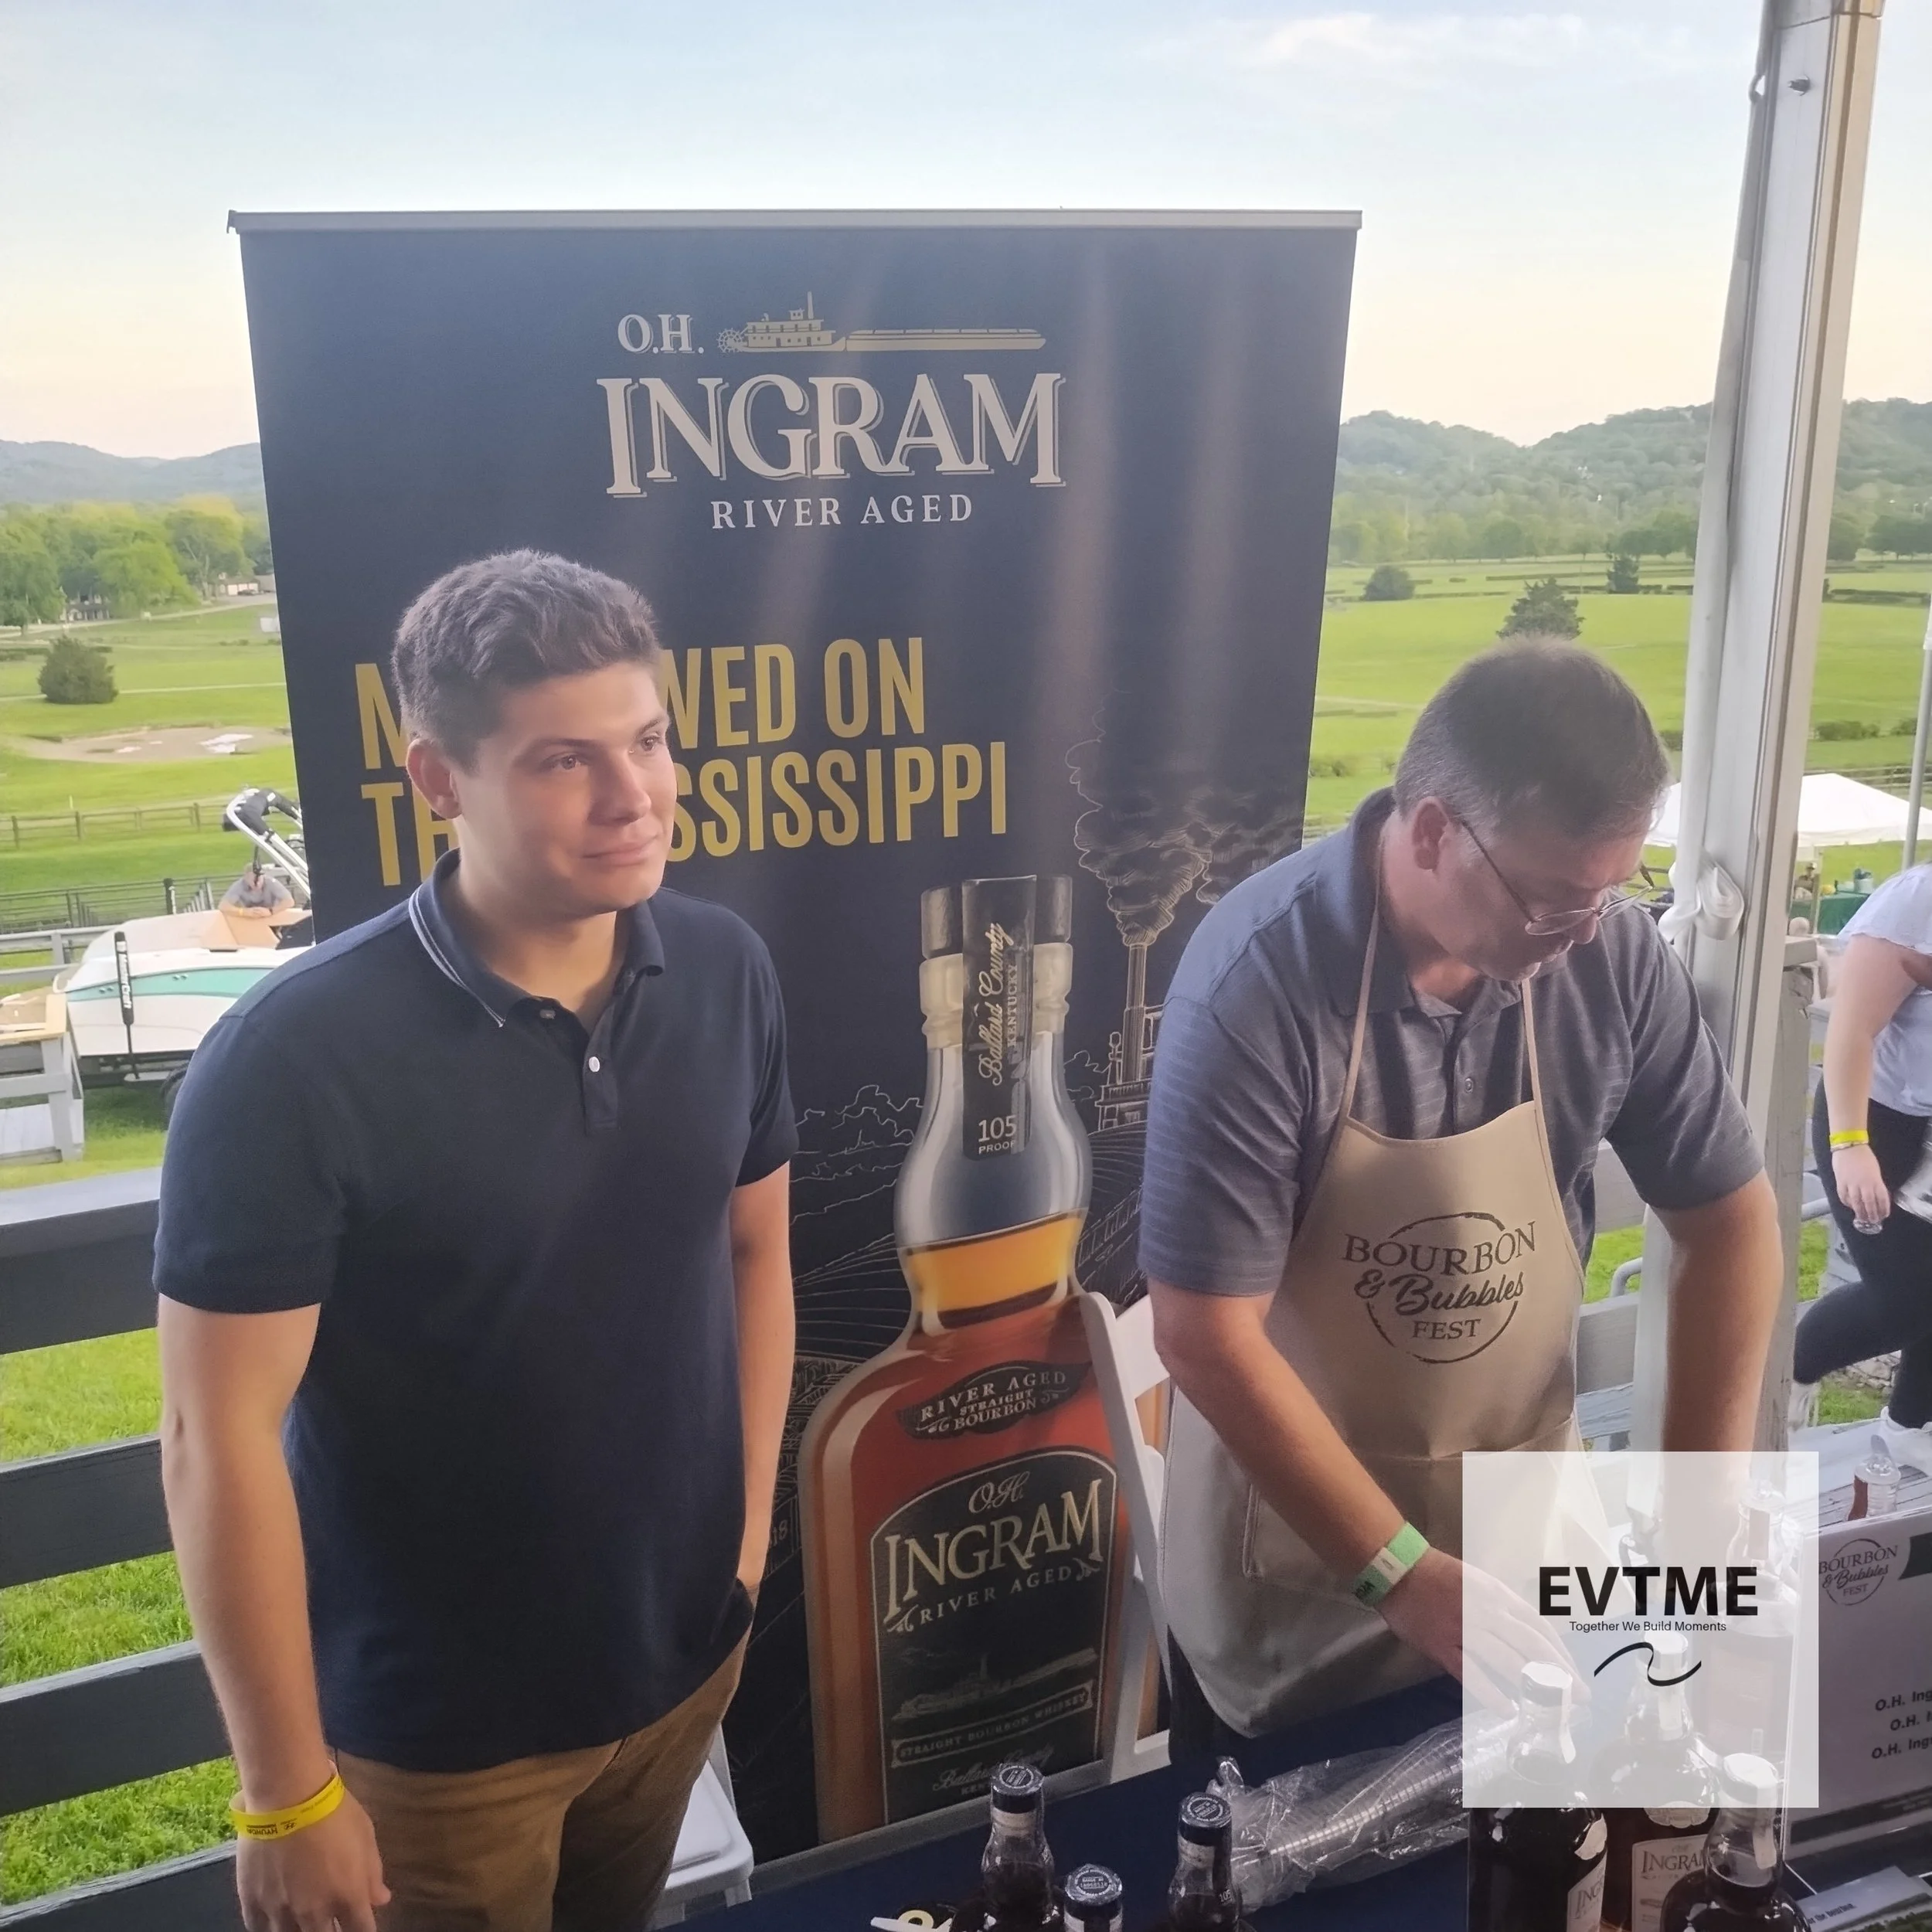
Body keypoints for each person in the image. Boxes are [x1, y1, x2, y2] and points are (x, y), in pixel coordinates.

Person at [156, 552, 797, 1932]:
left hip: (679, 1676)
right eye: (568, 760)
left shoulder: (728, 969)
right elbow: (214, 1441)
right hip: (438, 1756)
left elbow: (757, 1255)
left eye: (650, 739)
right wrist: (286, 1794)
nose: (637, 796)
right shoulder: (290, 1063)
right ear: (438, 775)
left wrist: (743, 1545)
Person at [1140, 639, 1783, 1754]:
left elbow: (1729, 1222)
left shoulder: (1606, 956)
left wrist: (1699, 1513)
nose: (1582, 933)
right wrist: (1396, 1571)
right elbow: (1203, 1336)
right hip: (1303, 1565)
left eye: (1612, 891)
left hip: (1532, 1537)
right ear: (1433, 831)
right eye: (1549, 902)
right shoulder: (1257, 986)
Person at [1801, 862, 1932, 1469]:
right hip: (1879, 1120)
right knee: (1906, 1298)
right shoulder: (1919, 899)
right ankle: (1783, 1376)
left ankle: (1910, 1424)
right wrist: (1851, 1144)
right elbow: (1852, 1029)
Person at [220, 855, 295, 913]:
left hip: (272, 916)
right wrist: (244, 912)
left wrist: (271, 911)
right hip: (249, 919)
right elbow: (223, 906)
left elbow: (289, 901)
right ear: (245, 878)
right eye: (252, 880)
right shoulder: (239, 885)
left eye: (259, 879)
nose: (256, 884)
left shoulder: (271, 882)